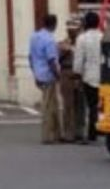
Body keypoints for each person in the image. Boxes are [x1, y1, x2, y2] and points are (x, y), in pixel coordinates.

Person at [29, 14, 62, 144]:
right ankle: (48, 135)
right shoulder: (49, 40)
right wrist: (58, 75)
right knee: (49, 107)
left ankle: (56, 133)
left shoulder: (34, 37)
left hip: (39, 73)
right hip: (48, 75)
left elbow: (30, 57)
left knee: (52, 105)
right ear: (54, 24)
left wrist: (34, 73)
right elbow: (52, 60)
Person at [72, 11, 103, 143]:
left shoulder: (82, 38)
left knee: (90, 106)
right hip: (102, 75)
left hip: (88, 76)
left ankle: (90, 132)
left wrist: (76, 73)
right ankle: (98, 129)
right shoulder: (104, 37)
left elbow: (79, 59)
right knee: (99, 105)